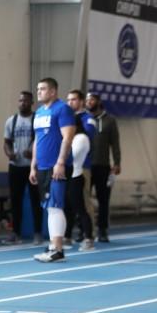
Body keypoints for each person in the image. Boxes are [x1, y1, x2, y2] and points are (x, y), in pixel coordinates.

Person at [29, 77, 76, 263]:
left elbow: (68, 137)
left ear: (53, 92)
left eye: (42, 89)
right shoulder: (39, 112)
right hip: (42, 167)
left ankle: (57, 250)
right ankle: (52, 246)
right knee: (49, 208)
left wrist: (61, 162)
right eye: (38, 88)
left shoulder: (62, 109)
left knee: (55, 206)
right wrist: (33, 165)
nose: (39, 91)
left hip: (56, 166)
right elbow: (37, 141)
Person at [2, 90, 43, 245]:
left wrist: (33, 153)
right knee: (15, 201)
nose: (22, 103)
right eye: (20, 100)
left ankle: (38, 233)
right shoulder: (11, 121)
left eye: (25, 101)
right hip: (15, 167)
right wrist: (9, 153)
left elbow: (42, 140)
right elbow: (6, 142)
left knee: (35, 200)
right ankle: (15, 233)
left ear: (31, 103)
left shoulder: (37, 120)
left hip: (33, 167)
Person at [85, 92, 120, 243]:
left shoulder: (110, 121)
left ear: (98, 101)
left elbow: (115, 143)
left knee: (103, 199)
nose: (89, 102)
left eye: (91, 99)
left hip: (103, 166)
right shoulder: (83, 119)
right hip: (86, 166)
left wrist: (117, 163)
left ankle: (102, 230)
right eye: (87, 100)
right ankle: (84, 230)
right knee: (83, 199)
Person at [64, 90, 96, 251]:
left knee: (83, 203)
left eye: (74, 99)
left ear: (82, 101)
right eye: (68, 99)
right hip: (67, 169)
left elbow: (87, 138)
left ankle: (90, 235)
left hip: (82, 166)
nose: (70, 103)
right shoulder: (66, 118)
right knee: (69, 204)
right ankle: (69, 235)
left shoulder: (88, 119)